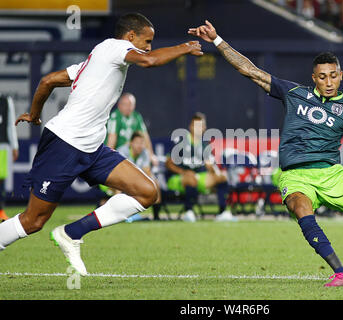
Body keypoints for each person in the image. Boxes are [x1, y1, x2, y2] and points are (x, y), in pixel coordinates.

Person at [188, 20, 343, 287]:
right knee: (301, 208)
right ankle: (341, 273)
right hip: (295, 175)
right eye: (322, 76)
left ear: (340, 75)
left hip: (331, 172)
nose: (328, 81)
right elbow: (250, 71)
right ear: (314, 78)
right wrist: (216, 40)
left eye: (332, 75)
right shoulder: (294, 93)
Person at [0, 13, 203, 276]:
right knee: (33, 221)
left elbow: (47, 80)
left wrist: (35, 114)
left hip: (93, 148)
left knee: (147, 192)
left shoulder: (96, 60)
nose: (149, 46)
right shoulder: (115, 47)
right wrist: (185, 47)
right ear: (130, 37)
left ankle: (72, 233)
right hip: (64, 143)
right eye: (147, 40)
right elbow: (150, 61)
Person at [165, 112, 235, 222]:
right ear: (190, 126)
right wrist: (183, 172)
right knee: (191, 177)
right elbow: (168, 163)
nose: (199, 128)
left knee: (222, 176)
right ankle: (189, 212)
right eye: (196, 125)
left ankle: (222, 212)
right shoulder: (181, 141)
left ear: (204, 128)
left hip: (198, 177)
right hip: (178, 178)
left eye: (201, 125)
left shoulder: (205, 144)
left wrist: (213, 169)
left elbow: (211, 165)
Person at [98, 92, 158, 206]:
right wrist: (109, 160)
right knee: (121, 184)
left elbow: (145, 136)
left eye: (130, 104)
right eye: (125, 104)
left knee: (149, 178)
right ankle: (116, 207)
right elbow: (112, 139)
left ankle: (154, 211)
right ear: (119, 105)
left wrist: (151, 155)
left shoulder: (136, 116)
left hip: (132, 157)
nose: (128, 107)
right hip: (120, 156)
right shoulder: (115, 117)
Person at [118, 131, 162, 222]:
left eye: (142, 143)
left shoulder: (145, 153)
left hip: (135, 181)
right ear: (131, 143)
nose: (140, 145)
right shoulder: (122, 151)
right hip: (118, 180)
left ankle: (156, 216)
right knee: (119, 184)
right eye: (137, 142)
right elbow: (120, 173)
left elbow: (147, 172)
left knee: (155, 183)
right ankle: (119, 215)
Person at [0, 95, 19, 221]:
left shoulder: (6, 101)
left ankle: (1, 211)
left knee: (0, 180)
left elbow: (10, 125)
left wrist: (14, 146)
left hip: (2, 145)